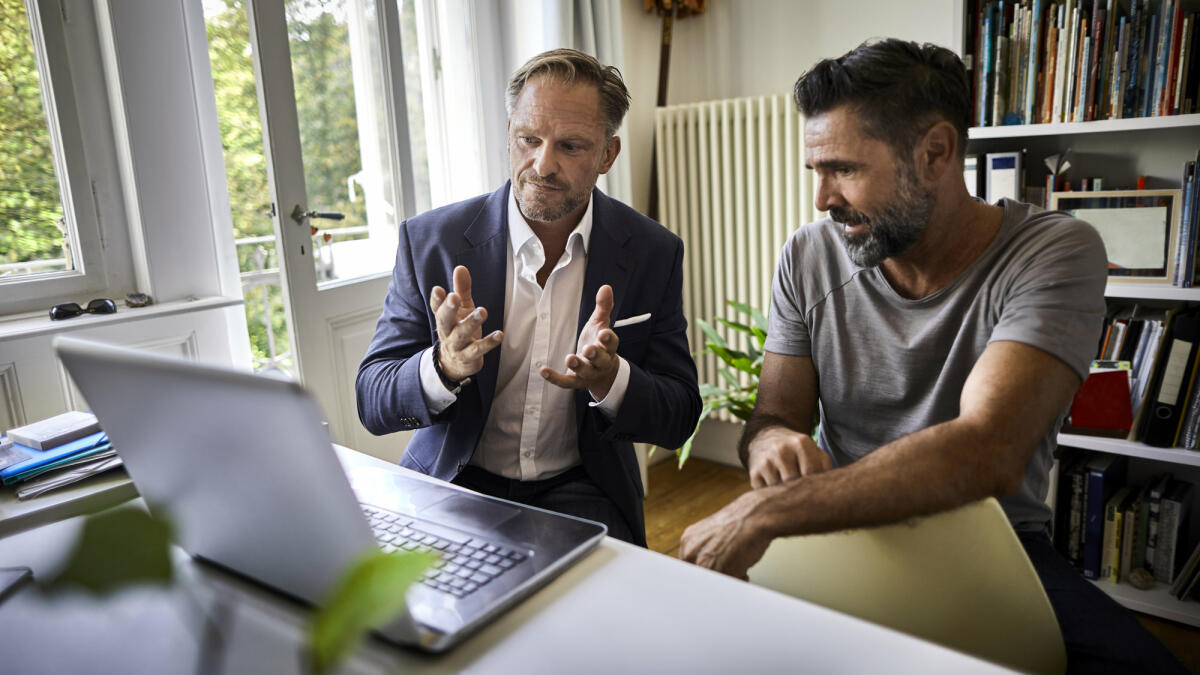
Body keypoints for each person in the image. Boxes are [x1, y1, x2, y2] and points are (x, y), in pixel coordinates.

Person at [677, 39, 1184, 673]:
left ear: (936, 153)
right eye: (816, 171)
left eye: (844, 169)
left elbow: (988, 449)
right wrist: (769, 442)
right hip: (835, 528)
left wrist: (765, 509)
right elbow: (774, 412)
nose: (822, 198)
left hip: (990, 543)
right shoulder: (807, 255)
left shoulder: (1055, 251)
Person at [356, 48, 701, 546]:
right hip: (457, 482)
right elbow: (373, 398)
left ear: (608, 154)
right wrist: (444, 367)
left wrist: (613, 380)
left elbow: (680, 414)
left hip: (586, 488)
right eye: (528, 139)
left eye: (571, 146)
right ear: (510, 135)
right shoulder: (431, 241)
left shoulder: (653, 251)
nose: (543, 164)